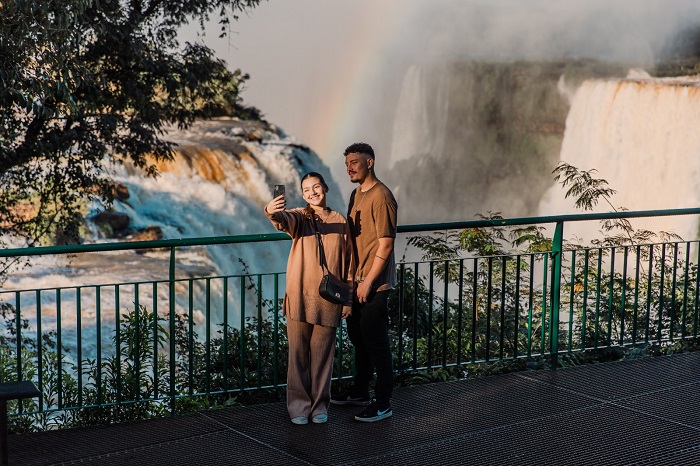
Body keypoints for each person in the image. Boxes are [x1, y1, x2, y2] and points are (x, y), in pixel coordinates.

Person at [264, 172, 354, 425]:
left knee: (323, 356)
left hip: (329, 298)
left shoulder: (340, 220)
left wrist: (347, 299)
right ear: (302, 195)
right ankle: (298, 406)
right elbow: (281, 220)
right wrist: (271, 211)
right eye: (306, 190)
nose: (312, 192)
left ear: (325, 187)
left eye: (316, 187)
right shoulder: (300, 217)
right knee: (298, 355)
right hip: (300, 296)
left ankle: (319, 406)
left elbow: (349, 263)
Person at [331, 142, 398, 423]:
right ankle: (359, 391)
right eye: (347, 163)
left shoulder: (381, 197)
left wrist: (368, 282)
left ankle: (382, 402)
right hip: (356, 281)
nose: (349, 167)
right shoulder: (356, 194)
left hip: (374, 284)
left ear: (370, 162)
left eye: (355, 162)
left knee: (376, 343)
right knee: (359, 340)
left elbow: (385, 245)